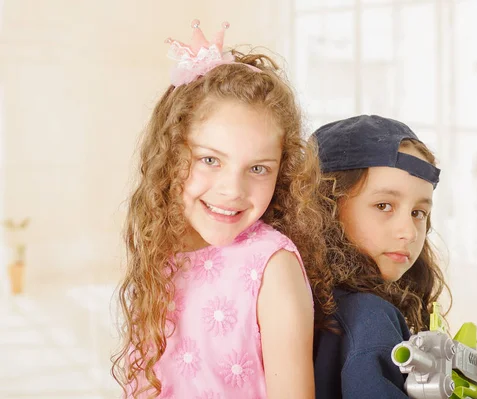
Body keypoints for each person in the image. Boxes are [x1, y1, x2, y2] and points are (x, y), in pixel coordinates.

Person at [111, 19, 327, 399]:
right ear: (171, 155)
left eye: (258, 168)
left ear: (283, 171)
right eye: (210, 160)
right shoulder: (158, 245)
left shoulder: (272, 269)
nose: (232, 190)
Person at [310, 115, 452, 398]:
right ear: (326, 208)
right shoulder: (371, 317)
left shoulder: (300, 295)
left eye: (418, 213)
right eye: (384, 205)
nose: (409, 233)